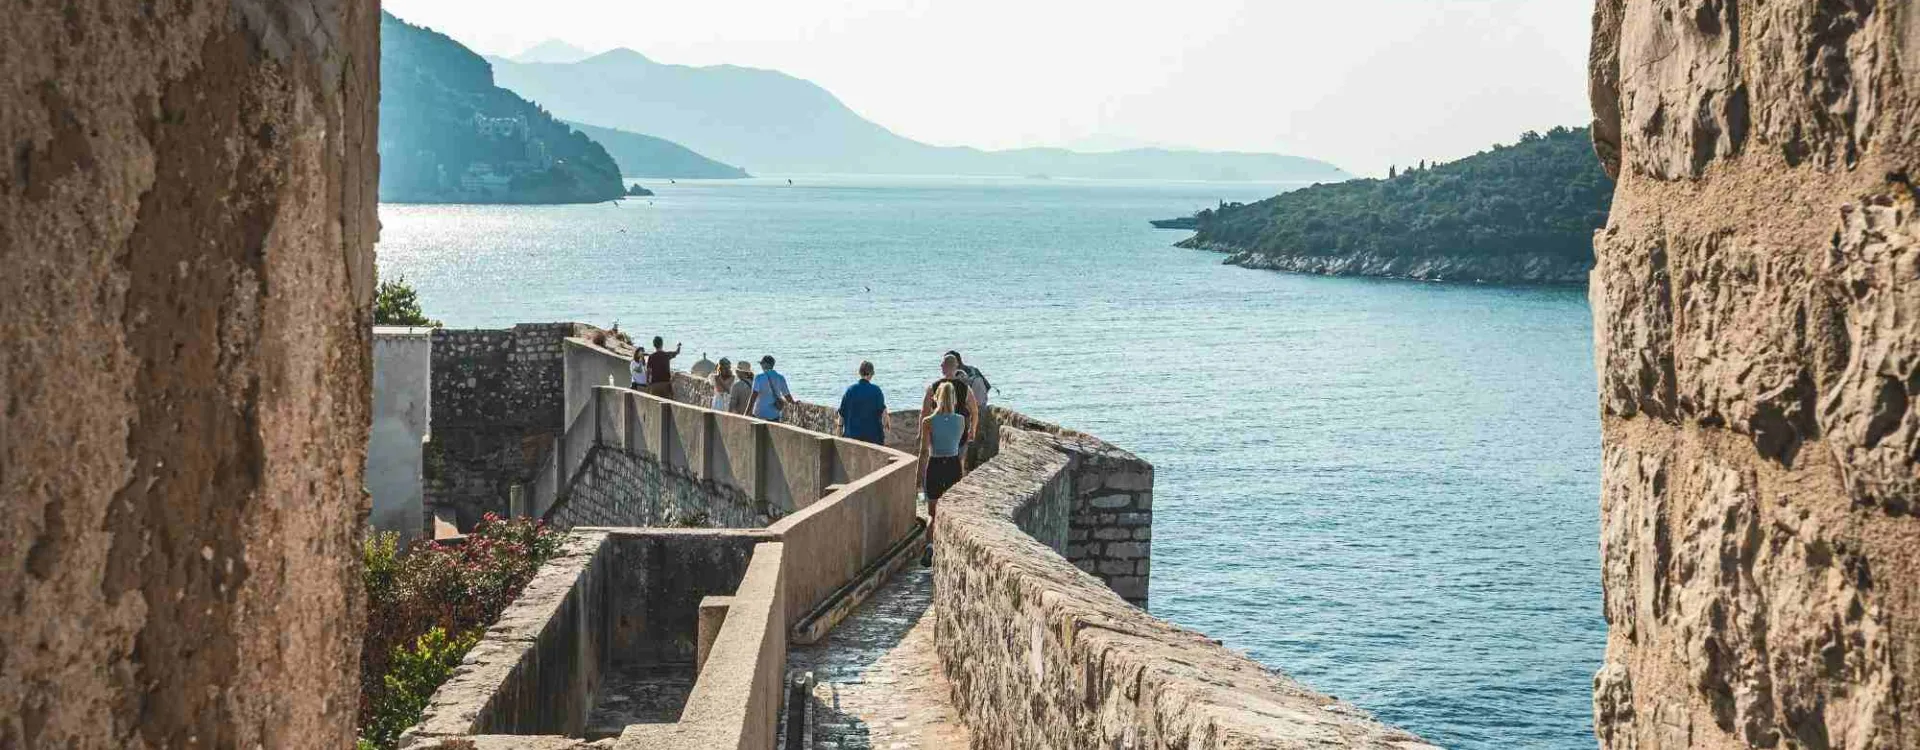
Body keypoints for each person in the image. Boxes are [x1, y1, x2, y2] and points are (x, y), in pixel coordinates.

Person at [919, 381, 966, 566]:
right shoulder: (961, 420)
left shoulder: (928, 421)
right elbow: (958, 444)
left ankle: (930, 546)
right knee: (953, 510)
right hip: (953, 466)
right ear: (954, 398)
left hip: (935, 465)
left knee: (932, 513)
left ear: (936, 398)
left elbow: (924, 451)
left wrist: (918, 476)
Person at [921, 353, 980, 468]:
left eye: (942, 364)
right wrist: (972, 430)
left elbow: (925, 411)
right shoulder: (965, 388)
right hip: (959, 433)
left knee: (936, 463)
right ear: (956, 367)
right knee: (958, 464)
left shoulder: (933, 387)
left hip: (937, 434)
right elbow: (974, 411)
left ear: (944, 367)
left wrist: (921, 432)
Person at [837, 361, 887, 445]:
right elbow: (883, 416)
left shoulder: (849, 391)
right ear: (872, 374)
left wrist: (839, 430)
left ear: (859, 372)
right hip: (873, 440)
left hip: (851, 439)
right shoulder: (876, 391)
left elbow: (841, 415)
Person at [749, 355, 795, 421]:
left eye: (761, 363)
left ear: (765, 364)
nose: (761, 366)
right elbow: (787, 395)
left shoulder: (759, 377)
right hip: (775, 414)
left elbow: (753, 396)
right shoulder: (780, 377)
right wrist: (794, 402)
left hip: (760, 413)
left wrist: (746, 412)